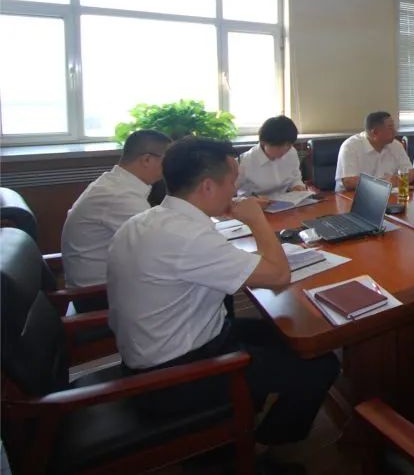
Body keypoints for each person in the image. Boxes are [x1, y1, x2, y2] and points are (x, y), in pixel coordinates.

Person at [107, 138, 340, 463]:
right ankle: (264, 447)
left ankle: (244, 416)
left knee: (294, 336)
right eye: (232, 182)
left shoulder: (148, 220)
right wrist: (256, 219)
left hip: (165, 348)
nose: (235, 191)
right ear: (207, 186)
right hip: (175, 376)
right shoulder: (187, 237)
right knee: (321, 365)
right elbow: (278, 276)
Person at [60, 130, 171, 302]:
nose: (171, 168)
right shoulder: (119, 196)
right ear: (147, 160)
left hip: (107, 286)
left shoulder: (114, 183)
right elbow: (163, 246)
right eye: (168, 161)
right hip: (97, 296)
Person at [335, 111, 413, 191]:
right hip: (352, 196)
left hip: (389, 194)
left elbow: (411, 173)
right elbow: (349, 182)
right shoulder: (350, 146)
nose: (395, 131)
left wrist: (398, 180)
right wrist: (385, 183)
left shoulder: (396, 145)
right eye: (390, 128)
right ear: (375, 132)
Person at [236, 115, 306, 198]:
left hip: (286, 202)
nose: (284, 150)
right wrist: (250, 200)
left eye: (288, 145)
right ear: (263, 142)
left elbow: (295, 178)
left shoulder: (291, 153)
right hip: (256, 204)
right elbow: (231, 194)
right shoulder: (245, 162)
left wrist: (298, 186)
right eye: (279, 146)